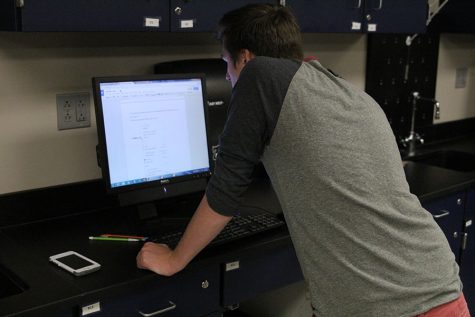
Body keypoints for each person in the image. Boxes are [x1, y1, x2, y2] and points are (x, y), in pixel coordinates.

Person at [137, 4, 470, 317]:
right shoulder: (339, 86)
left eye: (226, 62)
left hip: (388, 303)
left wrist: (174, 258)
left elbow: (226, 190)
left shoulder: (258, 75)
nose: (226, 76)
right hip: (437, 285)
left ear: (246, 57)